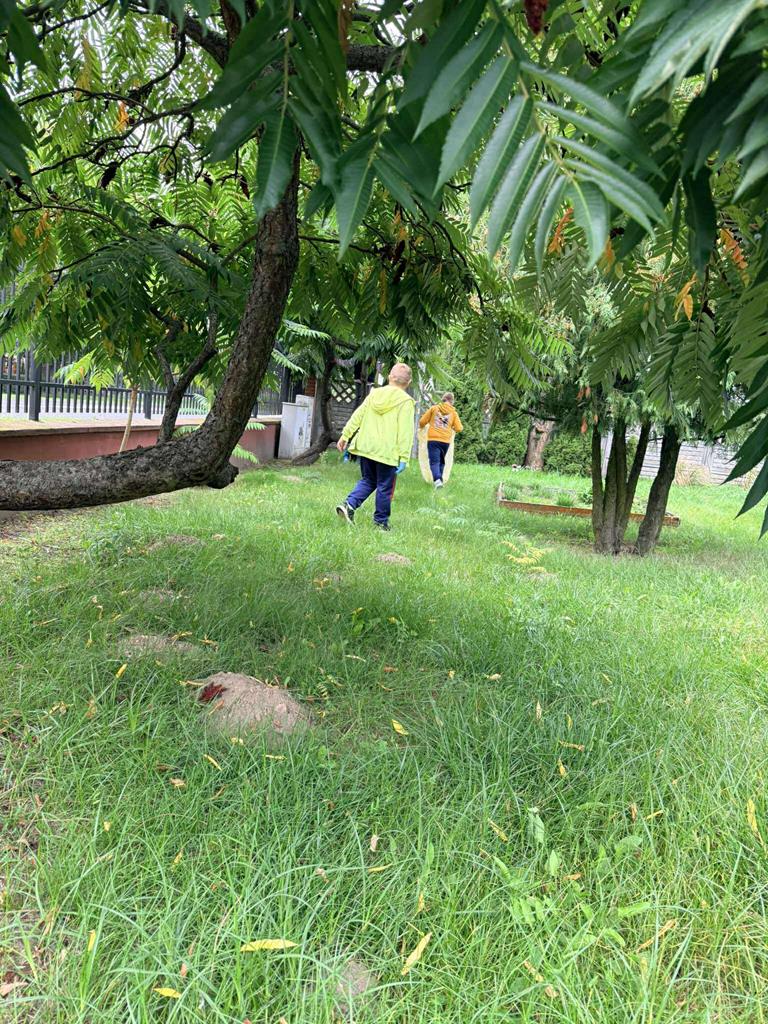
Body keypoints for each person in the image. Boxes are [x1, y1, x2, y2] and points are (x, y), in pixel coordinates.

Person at [335, 363, 415, 531]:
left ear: (389, 377)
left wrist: (345, 435)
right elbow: (405, 432)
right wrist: (404, 457)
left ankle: (349, 505)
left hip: (366, 447)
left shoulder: (374, 394)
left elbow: (358, 415)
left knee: (368, 480)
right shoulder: (406, 402)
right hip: (387, 452)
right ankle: (381, 523)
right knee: (385, 487)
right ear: (408, 383)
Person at [419, 391, 463, 488]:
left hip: (433, 440)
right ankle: (439, 482)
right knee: (441, 462)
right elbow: (459, 428)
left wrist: (423, 427)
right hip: (445, 441)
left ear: (443, 399)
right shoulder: (453, 413)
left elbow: (422, 422)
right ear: (452, 401)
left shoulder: (434, 408)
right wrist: (450, 427)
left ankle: (437, 480)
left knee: (434, 461)